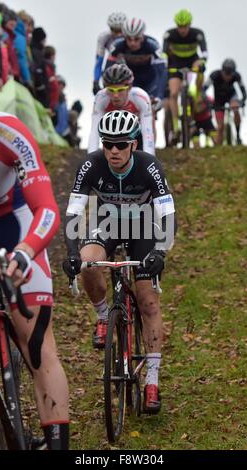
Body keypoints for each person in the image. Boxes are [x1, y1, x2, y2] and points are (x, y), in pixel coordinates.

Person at [0, 59, 69, 449]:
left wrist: (26, 253)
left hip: (13, 226)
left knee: (37, 345)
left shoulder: (7, 134)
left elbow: (46, 209)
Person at [63, 110, 176, 413]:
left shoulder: (149, 166)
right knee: (87, 264)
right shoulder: (91, 164)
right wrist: (72, 252)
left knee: (148, 301)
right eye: (108, 143)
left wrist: (160, 253)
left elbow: (167, 214)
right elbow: (74, 211)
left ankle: (152, 380)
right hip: (108, 224)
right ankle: (103, 316)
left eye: (120, 144)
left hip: (143, 228)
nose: (113, 150)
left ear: (133, 145)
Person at [88, 63, 155, 155]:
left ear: (129, 88)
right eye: (111, 90)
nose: (116, 95)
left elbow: (147, 133)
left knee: (139, 155)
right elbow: (94, 131)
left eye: (120, 90)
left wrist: (150, 158)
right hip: (111, 133)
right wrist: (91, 158)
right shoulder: (101, 98)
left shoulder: (141, 97)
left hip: (135, 133)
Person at [163, 9, 208, 143]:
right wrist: (165, 65)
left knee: (198, 67)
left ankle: (196, 93)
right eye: (180, 26)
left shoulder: (197, 34)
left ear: (189, 24)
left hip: (192, 62)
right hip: (176, 63)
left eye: (185, 26)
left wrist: (203, 63)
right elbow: (164, 53)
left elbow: (204, 52)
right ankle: (176, 127)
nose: (182, 30)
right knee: (173, 93)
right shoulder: (169, 34)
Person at [106, 18, 167, 117]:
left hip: (150, 81)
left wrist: (159, 96)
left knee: (150, 111)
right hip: (132, 80)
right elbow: (108, 70)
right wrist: (106, 90)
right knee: (127, 111)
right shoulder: (118, 45)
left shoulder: (153, 45)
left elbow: (162, 72)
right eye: (129, 39)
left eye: (136, 39)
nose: (132, 43)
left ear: (142, 36)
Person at [203, 59, 247, 145]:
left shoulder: (237, 76)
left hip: (231, 96)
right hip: (218, 101)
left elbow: (243, 91)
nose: (228, 77)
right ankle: (218, 147)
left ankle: (238, 135)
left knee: (235, 107)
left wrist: (242, 101)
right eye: (226, 74)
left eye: (230, 75)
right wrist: (207, 101)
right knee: (220, 127)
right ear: (222, 71)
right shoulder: (214, 75)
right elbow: (203, 89)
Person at [93, 12, 126, 95]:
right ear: (110, 28)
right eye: (115, 30)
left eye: (120, 30)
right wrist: (96, 81)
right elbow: (99, 61)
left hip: (128, 62)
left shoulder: (130, 37)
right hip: (112, 61)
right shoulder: (104, 37)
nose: (118, 34)